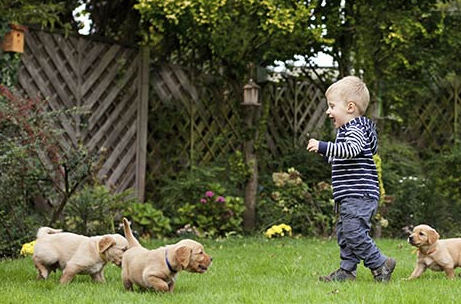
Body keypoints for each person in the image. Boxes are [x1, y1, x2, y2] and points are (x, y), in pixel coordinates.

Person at [306, 75, 396, 282]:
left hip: (359, 194)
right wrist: (327, 153)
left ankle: (381, 263)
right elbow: (345, 156)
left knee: (354, 232)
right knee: (345, 234)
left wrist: (323, 146)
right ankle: (346, 272)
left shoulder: (355, 130)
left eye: (331, 106)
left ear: (350, 107)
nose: (328, 111)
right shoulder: (348, 130)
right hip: (351, 194)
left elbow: (351, 149)